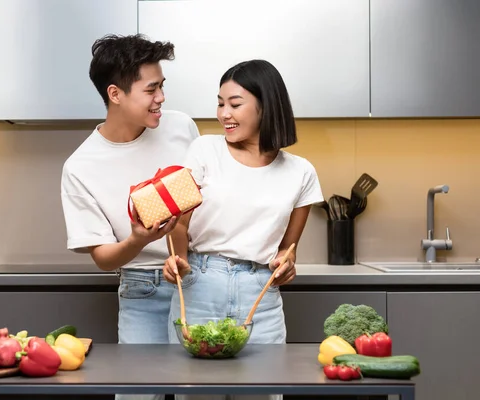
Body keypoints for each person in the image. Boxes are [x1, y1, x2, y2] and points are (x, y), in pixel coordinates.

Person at [163, 59, 324, 400]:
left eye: (235, 104)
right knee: (196, 394)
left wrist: (286, 263)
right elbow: (177, 221)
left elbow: (287, 248)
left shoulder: (302, 173)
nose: (224, 114)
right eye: (220, 103)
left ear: (266, 106)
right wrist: (177, 259)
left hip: (260, 298)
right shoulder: (203, 149)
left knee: (264, 393)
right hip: (201, 288)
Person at [60, 34, 200, 400]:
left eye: (162, 86)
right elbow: (104, 259)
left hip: (198, 277)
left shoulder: (181, 127)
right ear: (115, 94)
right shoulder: (80, 167)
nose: (162, 99)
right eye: (151, 89)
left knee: (199, 391)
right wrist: (139, 239)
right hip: (141, 287)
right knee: (137, 394)